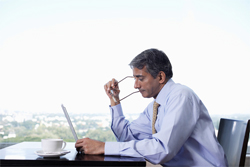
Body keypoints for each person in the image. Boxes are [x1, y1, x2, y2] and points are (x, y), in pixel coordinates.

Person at [75, 48, 228, 166]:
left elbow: (162, 149)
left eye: (140, 78)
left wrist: (104, 147)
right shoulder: (155, 107)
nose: (135, 86)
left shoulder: (181, 96)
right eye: (134, 79)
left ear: (160, 77)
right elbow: (126, 137)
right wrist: (115, 99)